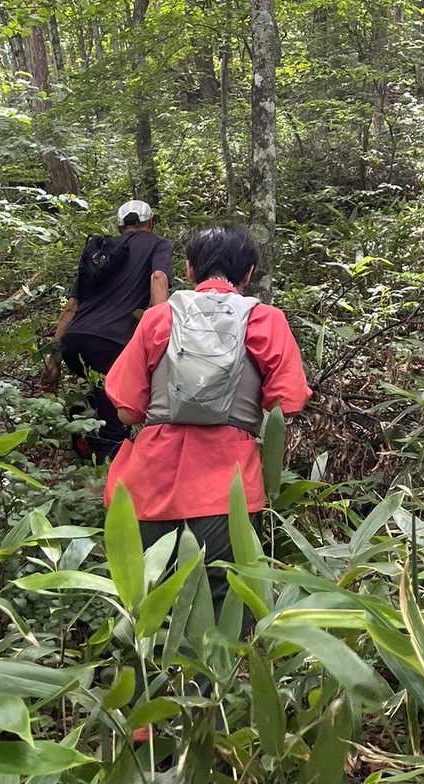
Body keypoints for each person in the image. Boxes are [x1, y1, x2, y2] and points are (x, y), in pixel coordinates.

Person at [103, 224, 311, 609]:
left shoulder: (158, 319)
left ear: (188, 269)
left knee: (152, 607)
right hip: (228, 490)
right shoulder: (266, 320)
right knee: (222, 608)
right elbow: (286, 405)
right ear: (249, 272)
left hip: (150, 486)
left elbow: (127, 411)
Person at [45, 199, 172, 462]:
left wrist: (54, 356)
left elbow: (71, 306)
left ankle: (83, 422)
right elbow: (158, 277)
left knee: (102, 390)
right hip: (111, 341)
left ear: (119, 226)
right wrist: (162, 332)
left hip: (74, 341)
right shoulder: (157, 244)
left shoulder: (98, 252)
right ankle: (108, 466)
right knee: (117, 408)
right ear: (151, 222)